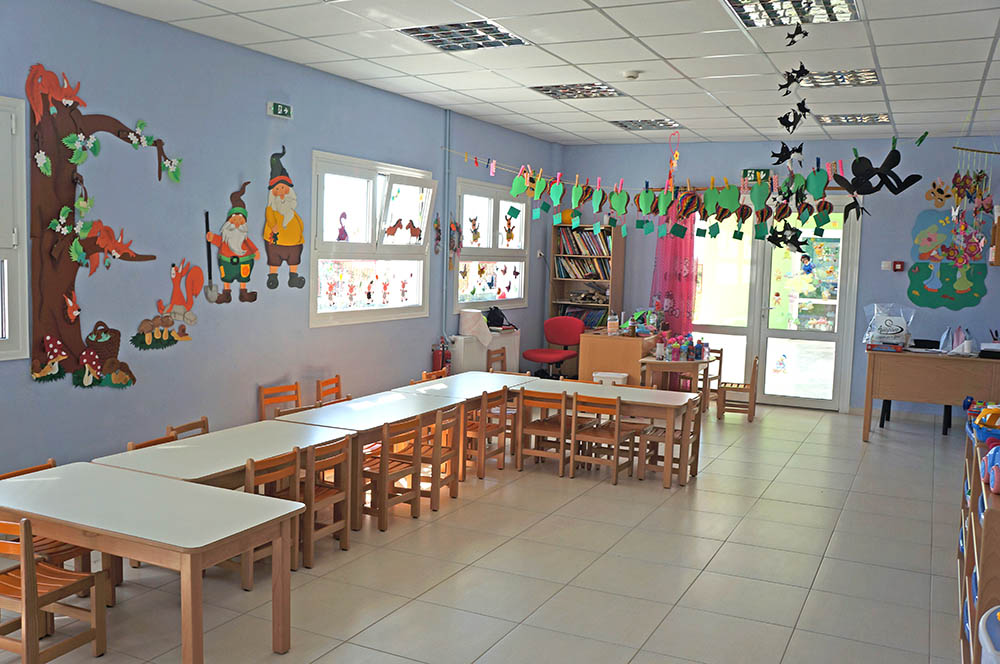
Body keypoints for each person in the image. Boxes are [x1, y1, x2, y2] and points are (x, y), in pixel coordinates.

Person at [206, 181, 259, 303]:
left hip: (244, 262)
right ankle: (226, 294)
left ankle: (243, 293)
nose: (237, 223)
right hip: (227, 262)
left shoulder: (244, 238)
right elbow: (219, 241)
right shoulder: (226, 237)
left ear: (244, 223)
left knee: (243, 277)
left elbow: (250, 244)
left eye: (240, 220)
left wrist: (255, 251)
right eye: (234, 220)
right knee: (227, 277)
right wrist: (212, 237)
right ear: (229, 221)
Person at [263, 146, 305, 289]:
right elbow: (269, 215)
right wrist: (273, 225)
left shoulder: (291, 210)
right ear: (273, 192)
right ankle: (273, 277)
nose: (281, 192)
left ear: (289, 190)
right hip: (277, 241)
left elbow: (299, 222)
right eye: (277, 189)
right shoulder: (272, 208)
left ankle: (293, 278)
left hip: (294, 243)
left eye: (283, 188)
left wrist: (299, 232)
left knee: (294, 259)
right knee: (274, 259)